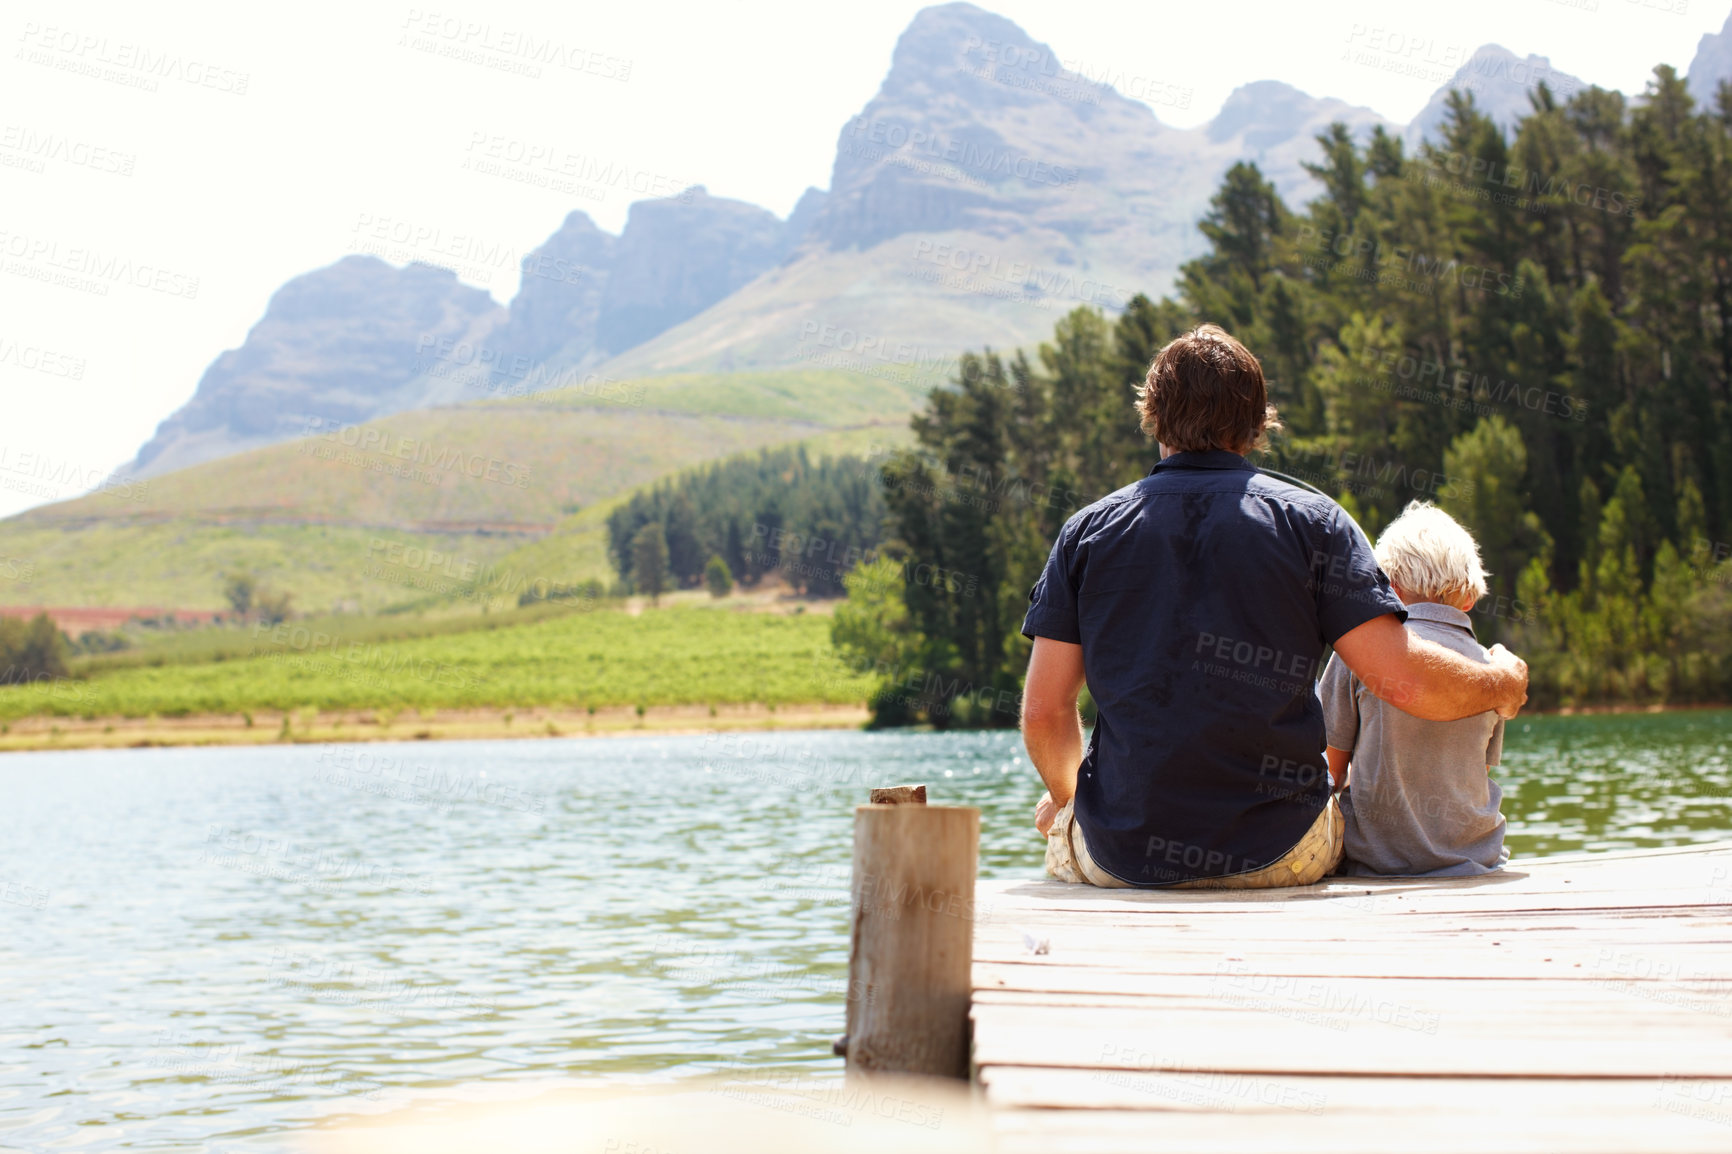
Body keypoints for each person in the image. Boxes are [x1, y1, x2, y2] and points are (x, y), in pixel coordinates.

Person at [1021, 323, 1528, 889]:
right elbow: (1401, 680)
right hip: (1285, 856)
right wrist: (1501, 685)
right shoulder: (1315, 524)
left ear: (1154, 418)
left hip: (1122, 860)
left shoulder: (1087, 533)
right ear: (1258, 425)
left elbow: (1045, 714)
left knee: (1060, 837)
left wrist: (1075, 802)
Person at [1319, 501, 1509, 876]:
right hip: (1477, 861)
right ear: (1470, 596)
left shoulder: (1360, 653)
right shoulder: (1491, 670)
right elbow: (1476, 771)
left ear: (1389, 586)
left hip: (1376, 865)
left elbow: (1329, 771)